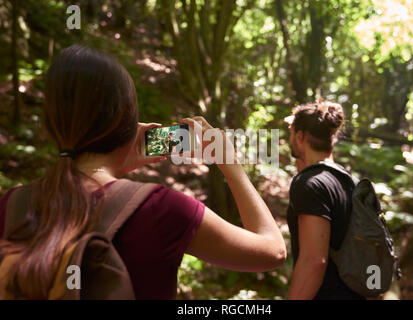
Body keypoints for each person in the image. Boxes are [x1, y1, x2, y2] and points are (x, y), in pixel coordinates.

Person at [0, 45, 286, 300]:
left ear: (52, 123)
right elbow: (272, 252)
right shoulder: (162, 209)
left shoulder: (11, 205)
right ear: (125, 119)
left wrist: (116, 164)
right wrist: (230, 165)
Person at [285, 100, 365, 300]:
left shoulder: (310, 185)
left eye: (291, 133)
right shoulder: (351, 182)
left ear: (300, 136)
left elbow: (314, 261)